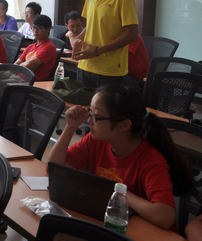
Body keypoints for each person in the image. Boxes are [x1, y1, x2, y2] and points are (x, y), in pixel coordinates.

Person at [47, 84, 192, 230]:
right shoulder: (96, 140)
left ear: (124, 125)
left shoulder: (150, 159)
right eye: (90, 112)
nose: (89, 121)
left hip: (141, 231)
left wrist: (119, 192)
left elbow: (165, 217)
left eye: (96, 116)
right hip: (109, 221)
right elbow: (53, 169)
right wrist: (70, 127)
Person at [71, 0, 139, 88]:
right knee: (82, 102)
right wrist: (78, 39)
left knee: (103, 104)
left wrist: (97, 51)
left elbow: (132, 35)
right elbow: (91, 26)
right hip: (85, 65)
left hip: (109, 70)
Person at [15, 15, 57, 80]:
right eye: (33, 27)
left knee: (0, 82)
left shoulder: (49, 47)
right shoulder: (30, 46)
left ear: (48, 29)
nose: (35, 31)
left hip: (29, 81)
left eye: (39, 28)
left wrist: (22, 66)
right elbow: (15, 64)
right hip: (17, 76)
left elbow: (27, 65)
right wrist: (25, 66)